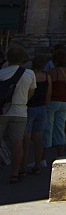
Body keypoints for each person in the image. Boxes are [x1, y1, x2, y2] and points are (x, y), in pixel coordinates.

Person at [0, 47, 35, 184]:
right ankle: (15, 173)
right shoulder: (29, 74)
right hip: (20, 111)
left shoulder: (1, 73)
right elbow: (31, 93)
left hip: (2, 111)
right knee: (17, 143)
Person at [22, 54, 50, 175]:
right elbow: (49, 93)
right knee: (38, 139)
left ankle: (22, 166)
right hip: (42, 107)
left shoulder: (29, 75)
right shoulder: (46, 76)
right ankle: (38, 164)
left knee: (26, 139)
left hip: (30, 107)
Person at [45, 48, 66, 159]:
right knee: (60, 128)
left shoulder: (51, 72)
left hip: (52, 101)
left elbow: (49, 89)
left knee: (48, 128)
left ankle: (43, 157)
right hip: (64, 102)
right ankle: (60, 155)